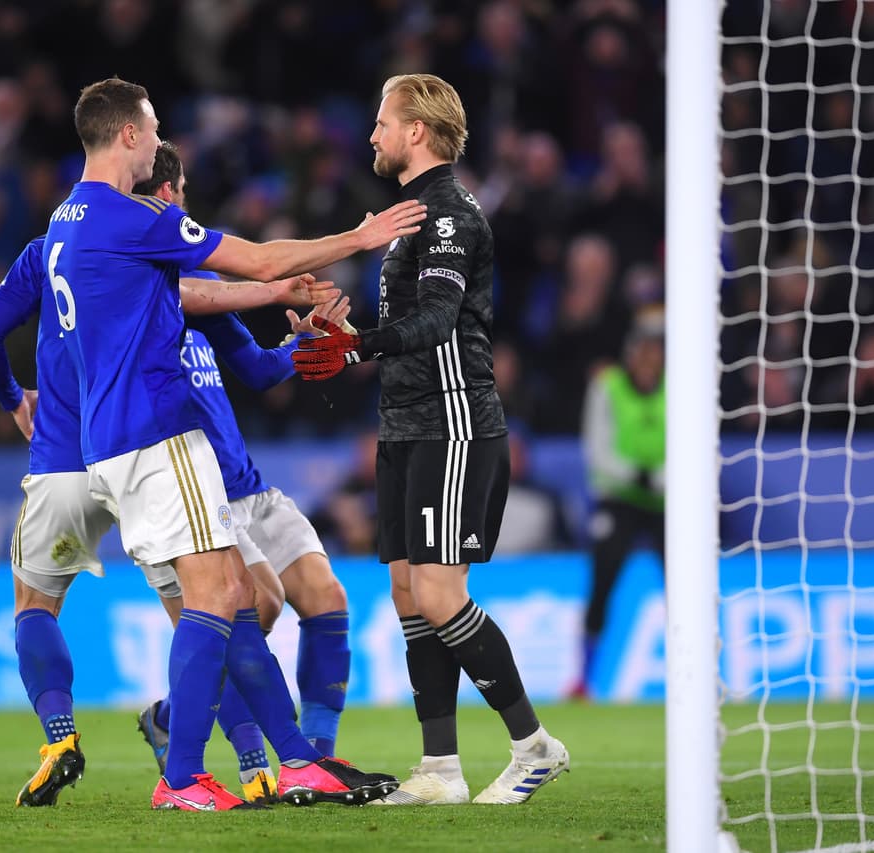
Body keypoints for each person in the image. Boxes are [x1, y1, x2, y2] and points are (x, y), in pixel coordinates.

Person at [28, 76, 423, 811]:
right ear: (126, 137)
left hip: (112, 441)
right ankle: (181, 774)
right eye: (149, 129)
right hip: (154, 433)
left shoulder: (66, 220)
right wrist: (361, 238)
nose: (156, 141)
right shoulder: (129, 215)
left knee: (236, 594)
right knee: (223, 596)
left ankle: (297, 758)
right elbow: (261, 260)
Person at [292, 73, 570, 806]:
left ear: (418, 130)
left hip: (454, 421)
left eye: (384, 121)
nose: (375, 133)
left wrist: (358, 348)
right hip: (407, 422)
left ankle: (534, 745)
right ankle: (440, 768)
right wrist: (337, 328)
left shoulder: (448, 216)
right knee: (410, 591)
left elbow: (440, 321)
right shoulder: (409, 217)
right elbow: (401, 333)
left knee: (442, 593)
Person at [130, 143, 353, 804]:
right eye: (184, 190)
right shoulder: (143, 296)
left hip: (249, 483)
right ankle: (213, 734)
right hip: (194, 496)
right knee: (253, 604)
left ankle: (318, 755)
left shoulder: (201, 307)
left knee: (325, 597)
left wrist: (303, 344)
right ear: (168, 195)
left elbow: (256, 369)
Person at [573, 307, 665, 699]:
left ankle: (699, 668)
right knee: (602, 583)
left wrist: (660, 479)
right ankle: (584, 678)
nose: (648, 359)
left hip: (667, 500)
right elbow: (596, 450)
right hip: (620, 497)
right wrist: (637, 475)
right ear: (631, 353)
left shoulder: (681, 386)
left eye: (655, 351)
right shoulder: (607, 386)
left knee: (688, 587)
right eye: (642, 350)